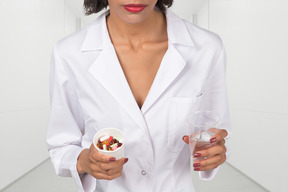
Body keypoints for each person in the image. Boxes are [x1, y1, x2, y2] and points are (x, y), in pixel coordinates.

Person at [47, 0, 231, 191]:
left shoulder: (207, 48)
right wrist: (84, 161)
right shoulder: (68, 53)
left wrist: (213, 150)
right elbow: (61, 145)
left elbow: (214, 130)